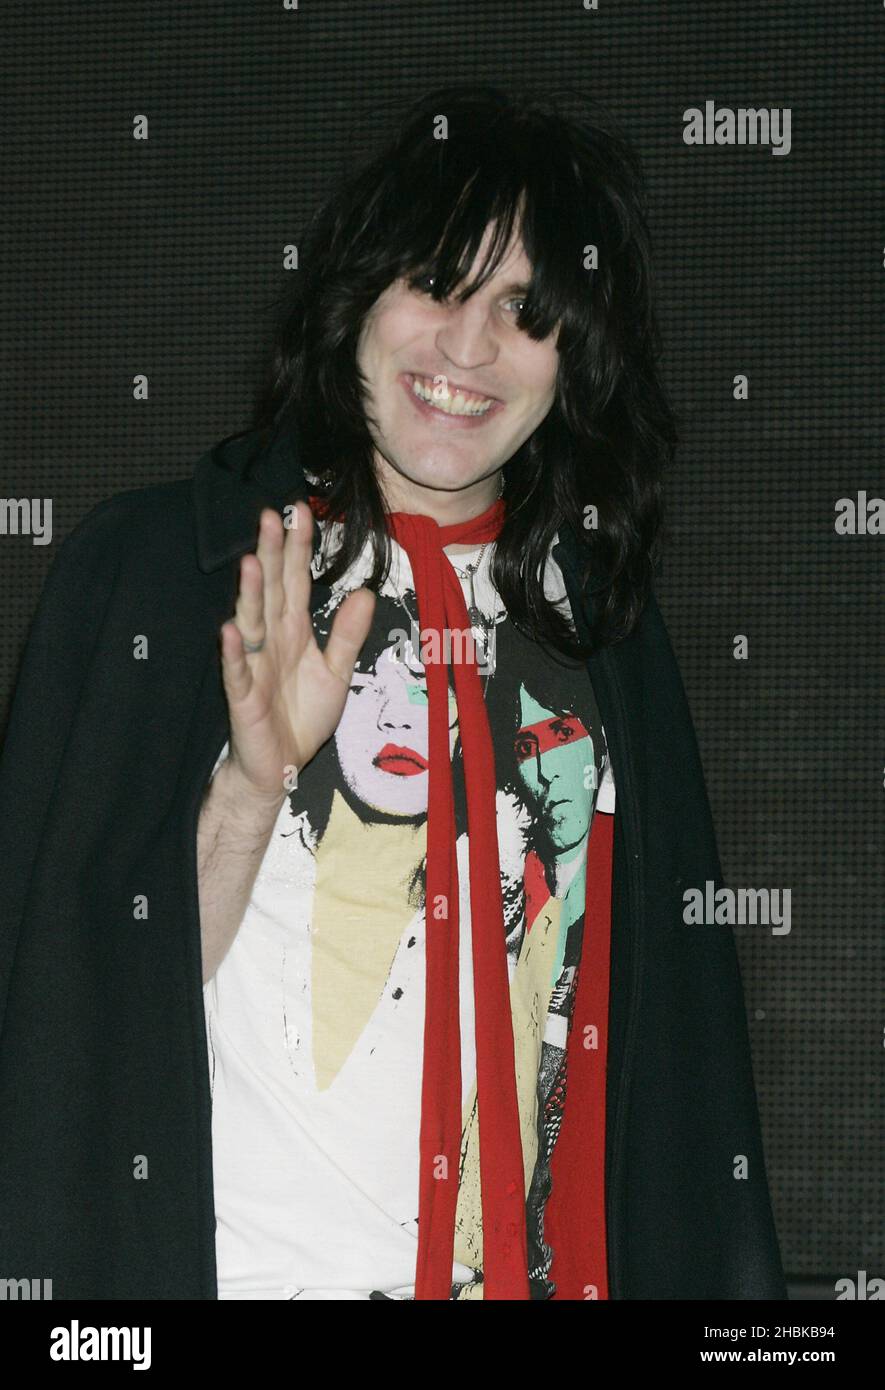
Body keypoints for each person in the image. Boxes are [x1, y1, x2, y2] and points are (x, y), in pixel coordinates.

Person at [0, 81, 787, 1300]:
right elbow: (84, 995)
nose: (467, 351)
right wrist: (256, 785)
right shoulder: (172, 570)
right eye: (434, 283)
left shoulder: (606, 632)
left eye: (525, 311)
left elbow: (675, 1070)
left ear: (575, 356)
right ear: (356, 294)